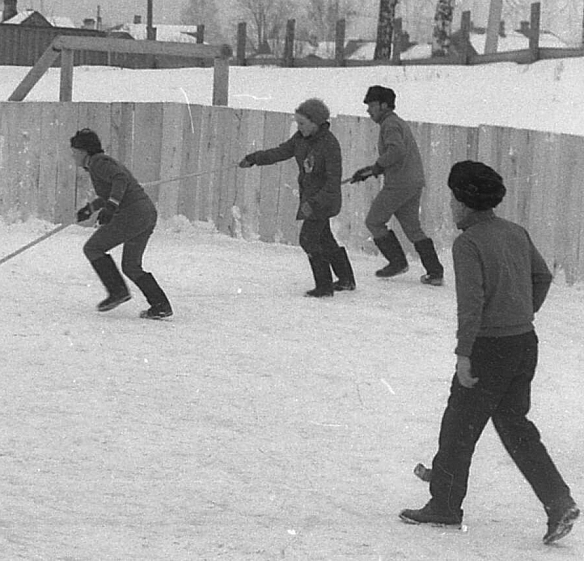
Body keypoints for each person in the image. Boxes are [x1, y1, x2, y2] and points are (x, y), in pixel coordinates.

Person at [400, 161, 578, 545]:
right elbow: (542, 276)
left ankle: (444, 504)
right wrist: (524, 311)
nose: (449, 206)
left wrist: (464, 355)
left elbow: (472, 304)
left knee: (459, 425)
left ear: (464, 202)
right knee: (515, 426)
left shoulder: (468, 244)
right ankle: (558, 501)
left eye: (452, 198)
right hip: (523, 344)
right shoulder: (514, 232)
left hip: (488, 348)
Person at [239, 98, 353, 297]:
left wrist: (314, 203)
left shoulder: (329, 144)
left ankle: (324, 287)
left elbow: (333, 181)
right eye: (297, 123)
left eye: (302, 123)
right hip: (310, 198)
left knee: (308, 240)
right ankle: (346, 280)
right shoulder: (301, 138)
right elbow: (281, 151)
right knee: (324, 239)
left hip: (323, 200)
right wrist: (254, 158)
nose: (298, 127)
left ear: (316, 122)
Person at [70, 128, 172, 320]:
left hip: (133, 214)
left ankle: (117, 292)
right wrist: (91, 208)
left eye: (74, 152)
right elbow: (110, 192)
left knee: (93, 248)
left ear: (84, 151)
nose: (73, 156)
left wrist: (111, 207)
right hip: (146, 214)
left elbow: (120, 180)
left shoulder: (98, 163)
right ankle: (161, 305)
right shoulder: (99, 164)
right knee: (131, 266)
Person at [349, 85, 444, 285]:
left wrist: (376, 167)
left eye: (372, 105)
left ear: (384, 105)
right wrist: (370, 171)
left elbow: (396, 151)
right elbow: (396, 155)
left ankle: (397, 262)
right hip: (412, 181)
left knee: (374, 222)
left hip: (399, 183)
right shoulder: (396, 122)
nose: (368, 110)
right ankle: (435, 272)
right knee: (413, 228)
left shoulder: (389, 125)